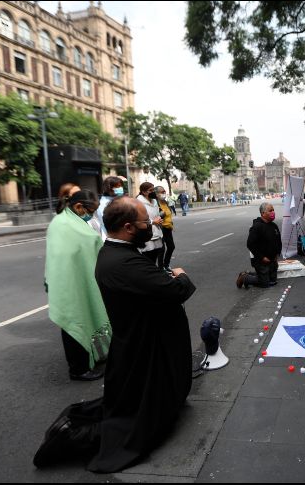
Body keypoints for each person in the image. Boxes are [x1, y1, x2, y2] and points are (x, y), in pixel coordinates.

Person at [33, 196, 196, 473]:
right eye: (146, 222)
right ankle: (73, 435)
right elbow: (177, 290)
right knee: (141, 419)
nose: (150, 225)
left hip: (141, 341)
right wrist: (180, 275)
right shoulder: (124, 262)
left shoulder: (117, 253)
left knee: (138, 403)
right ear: (130, 227)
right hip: (144, 347)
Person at [44, 190, 111, 381]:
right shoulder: (63, 224)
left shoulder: (71, 221)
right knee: (76, 321)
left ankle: (89, 358)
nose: (91, 215)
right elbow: (63, 257)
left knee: (87, 317)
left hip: (80, 280)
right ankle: (78, 369)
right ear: (79, 207)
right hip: (69, 285)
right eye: (91, 210)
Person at [236, 202, 281, 289]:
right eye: (270, 211)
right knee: (265, 283)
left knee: (273, 281)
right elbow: (250, 244)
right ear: (263, 213)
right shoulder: (257, 227)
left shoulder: (274, 226)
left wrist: (277, 254)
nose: (273, 212)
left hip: (272, 259)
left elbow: (278, 241)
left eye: (273, 210)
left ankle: (251, 273)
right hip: (260, 260)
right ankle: (244, 277)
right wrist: (262, 257)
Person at [135, 182, 164, 265]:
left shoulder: (155, 201)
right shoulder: (138, 202)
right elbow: (137, 220)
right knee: (147, 259)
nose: (153, 192)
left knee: (155, 258)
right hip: (146, 235)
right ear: (144, 192)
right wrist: (152, 222)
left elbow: (157, 215)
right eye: (150, 190)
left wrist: (159, 219)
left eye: (153, 189)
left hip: (157, 234)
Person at [155, 186, 175, 271]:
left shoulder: (165, 202)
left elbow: (169, 214)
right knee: (162, 249)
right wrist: (161, 214)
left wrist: (171, 224)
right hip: (161, 228)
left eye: (164, 191)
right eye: (162, 192)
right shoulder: (155, 203)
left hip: (168, 228)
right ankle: (161, 268)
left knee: (171, 247)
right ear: (156, 194)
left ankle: (166, 265)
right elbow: (155, 215)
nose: (164, 193)